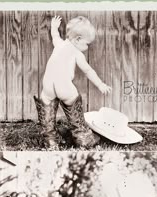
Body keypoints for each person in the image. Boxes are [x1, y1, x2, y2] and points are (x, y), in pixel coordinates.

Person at [34, 16, 111, 149]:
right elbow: (88, 71)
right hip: (64, 86)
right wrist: (100, 84)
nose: (87, 47)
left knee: (46, 103)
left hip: (48, 86)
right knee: (73, 100)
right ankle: (82, 137)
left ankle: (50, 140)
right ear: (78, 39)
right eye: (87, 44)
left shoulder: (59, 44)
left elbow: (55, 36)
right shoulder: (77, 53)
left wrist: (53, 27)